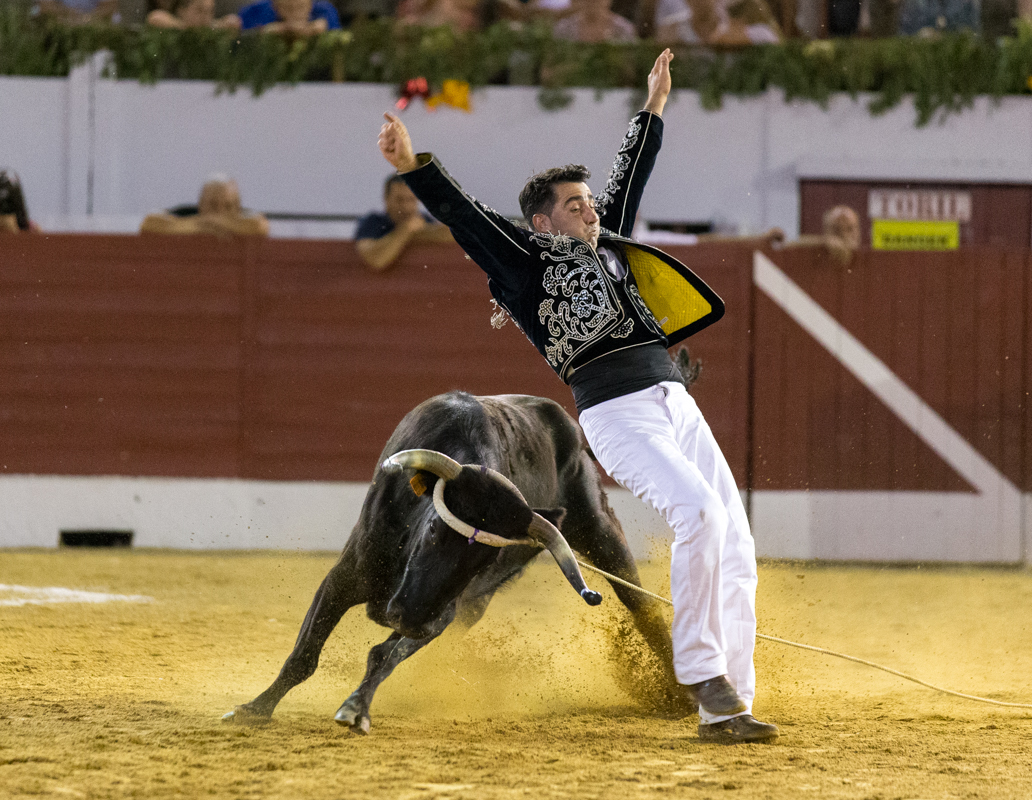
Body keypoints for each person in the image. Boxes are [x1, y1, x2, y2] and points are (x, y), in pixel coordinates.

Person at [378, 48, 777, 744]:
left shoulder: (607, 238)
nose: (590, 210)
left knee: (733, 534)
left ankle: (731, 698)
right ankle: (704, 676)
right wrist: (414, 165)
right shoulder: (524, 261)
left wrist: (653, 105)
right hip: (618, 412)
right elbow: (464, 216)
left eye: (590, 202)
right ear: (542, 222)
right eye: (574, 205)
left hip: (674, 401)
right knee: (700, 516)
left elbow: (630, 174)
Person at [355, 175, 454, 271]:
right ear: (386, 199)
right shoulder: (373, 222)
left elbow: (451, 234)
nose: (405, 207)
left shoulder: (424, 220)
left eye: (411, 199)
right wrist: (407, 230)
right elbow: (376, 260)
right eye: (399, 200)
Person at [140, 177, 269, 237]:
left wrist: (213, 222)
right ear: (201, 204)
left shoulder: (244, 215)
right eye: (212, 205)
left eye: (228, 206)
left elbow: (258, 225)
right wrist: (199, 225)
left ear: (237, 206)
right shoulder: (187, 212)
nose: (220, 212)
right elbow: (149, 221)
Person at [238, 0, 340, 33]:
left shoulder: (325, 9)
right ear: (275, 7)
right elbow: (242, 33)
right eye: (288, 8)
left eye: (300, 7)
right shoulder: (257, 11)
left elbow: (336, 32)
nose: (295, 13)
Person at [147, 0, 242, 29]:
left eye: (210, 11)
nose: (205, 16)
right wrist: (188, 28)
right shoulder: (170, 23)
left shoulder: (211, 27)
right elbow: (155, 18)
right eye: (199, 10)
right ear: (182, 10)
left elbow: (234, 22)